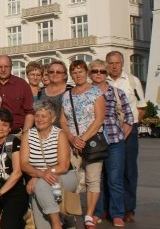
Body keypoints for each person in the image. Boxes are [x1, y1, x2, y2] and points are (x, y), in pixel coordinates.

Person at [59, 60, 106, 229]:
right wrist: (72, 138)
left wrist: (83, 139)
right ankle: (71, 211)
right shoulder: (67, 95)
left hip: (92, 141)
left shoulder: (96, 92)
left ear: (86, 73)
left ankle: (89, 214)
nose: (78, 75)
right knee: (73, 179)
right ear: (71, 75)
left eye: (80, 71)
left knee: (93, 180)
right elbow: (63, 120)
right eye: (74, 72)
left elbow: (99, 118)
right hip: (72, 143)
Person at [90, 59, 134, 227]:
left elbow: (129, 117)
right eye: (95, 71)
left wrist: (122, 134)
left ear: (106, 74)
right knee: (95, 180)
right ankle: (97, 212)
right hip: (94, 141)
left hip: (115, 140)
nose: (98, 74)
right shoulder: (86, 92)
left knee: (115, 179)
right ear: (90, 74)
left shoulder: (117, 92)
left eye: (102, 71)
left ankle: (117, 213)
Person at [20, 100, 78, 229]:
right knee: (38, 197)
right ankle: (55, 222)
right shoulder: (28, 135)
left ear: (52, 118)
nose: (39, 119)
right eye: (37, 115)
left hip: (64, 175)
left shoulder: (60, 134)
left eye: (44, 116)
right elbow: (23, 164)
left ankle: (56, 223)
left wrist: (38, 176)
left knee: (39, 185)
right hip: (42, 178)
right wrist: (40, 174)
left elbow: (63, 165)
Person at [105, 50, 146, 223]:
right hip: (108, 132)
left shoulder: (132, 81)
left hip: (129, 131)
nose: (114, 66)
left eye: (117, 63)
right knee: (109, 171)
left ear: (122, 64)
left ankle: (128, 208)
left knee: (129, 170)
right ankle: (110, 207)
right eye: (111, 63)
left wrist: (128, 127)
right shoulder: (100, 80)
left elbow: (141, 107)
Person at [0, 55, 34, 135]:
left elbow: (30, 112)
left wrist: (24, 134)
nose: (3, 70)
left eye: (6, 66)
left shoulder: (22, 84)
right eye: (0, 67)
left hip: (17, 133)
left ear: (11, 67)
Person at [36, 60, 70, 127]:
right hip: (45, 131)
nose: (55, 74)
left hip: (66, 132)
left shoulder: (70, 90)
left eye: (58, 72)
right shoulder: (41, 91)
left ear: (64, 75)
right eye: (51, 72)